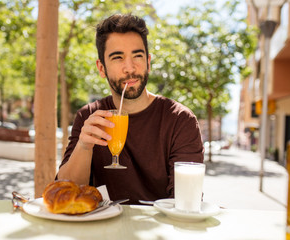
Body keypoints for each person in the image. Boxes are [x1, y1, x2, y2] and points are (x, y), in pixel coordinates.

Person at [57, 14, 204, 204]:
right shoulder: (89, 116)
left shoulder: (180, 120)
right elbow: (67, 191)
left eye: (137, 56)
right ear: (101, 68)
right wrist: (84, 146)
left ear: (148, 62)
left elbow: (186, 200)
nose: (130, 68)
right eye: (118, 58)